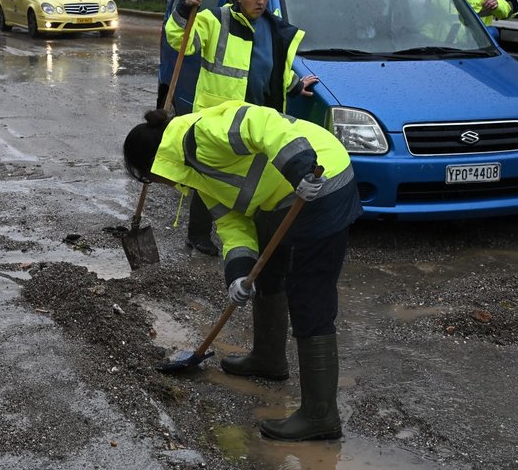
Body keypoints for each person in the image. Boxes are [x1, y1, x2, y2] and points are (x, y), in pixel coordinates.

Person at [123, 101, 362, 441]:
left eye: (151, 179)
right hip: (279, 199)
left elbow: (261, 123)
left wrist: (299, 169)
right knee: (267, 271)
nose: (161, 184)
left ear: (154, 166)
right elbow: (231, 223)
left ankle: (320, 415)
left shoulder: (199, 136)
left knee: (309, 296)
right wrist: (238, 272)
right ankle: (268, 358)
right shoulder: (193, 171)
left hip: (321, 180)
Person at [164, 0, 317, 258]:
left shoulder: (272, 26)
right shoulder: (215, 20)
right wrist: (186, 8)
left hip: (259, 115)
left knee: (255, 175)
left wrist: (295, 86)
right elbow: (180, 40)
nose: (260, 1)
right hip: (221, 117)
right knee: (211, 178)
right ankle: (197, 234)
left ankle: (252, 231)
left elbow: (271, 70)